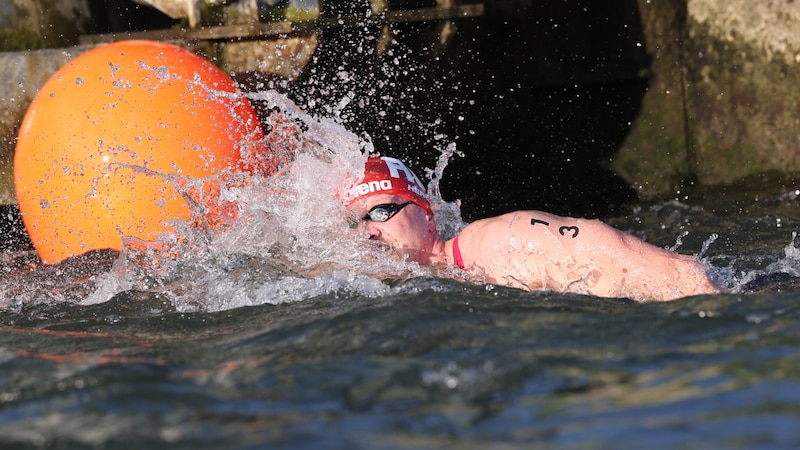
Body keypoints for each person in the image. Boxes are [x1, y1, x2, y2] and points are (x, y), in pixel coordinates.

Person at [341, 156, 722, 302]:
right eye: (357, 222)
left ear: (426, 212)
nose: (369, 231)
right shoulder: (404, 280)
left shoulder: (497, 240)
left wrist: (708, 300)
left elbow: (591, 240)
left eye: (380, 212)